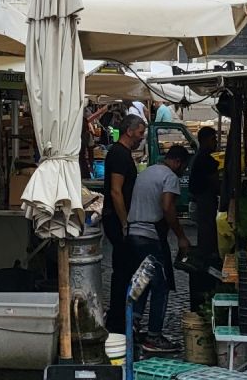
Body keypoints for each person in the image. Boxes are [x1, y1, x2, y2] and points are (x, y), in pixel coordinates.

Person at [125, 145, 190, 351]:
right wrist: (181, 237)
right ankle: (154, 335)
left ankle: (132, 326)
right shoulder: (169, 177)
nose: (183, 171)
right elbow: (167, 206)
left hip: (133, 233)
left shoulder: (148, 172)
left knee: (143, 281)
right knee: (160, 286)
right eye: (183, 167)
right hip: (149, 237)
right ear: (177, 162)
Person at [103, 114, 145, 335]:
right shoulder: (119, 154)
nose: (141, 137)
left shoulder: (122, 153)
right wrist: (124, 222)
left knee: (124, 269)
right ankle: (117, 321)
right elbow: (116, 191)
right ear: (129, 131)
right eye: (140, 132)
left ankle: (118, 318)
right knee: (122, 270)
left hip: (117, 218)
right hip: (116, 218)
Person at [187, 127, 222, 306]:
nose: (215, 141)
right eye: (213, 138)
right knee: (207, 228)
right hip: (204, 201)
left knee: (205, 228)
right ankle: (206, 257)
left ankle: (206, 253)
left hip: (202, 200)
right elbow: (215, 182)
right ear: (206, 140)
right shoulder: (205, 160)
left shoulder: (200, 158)